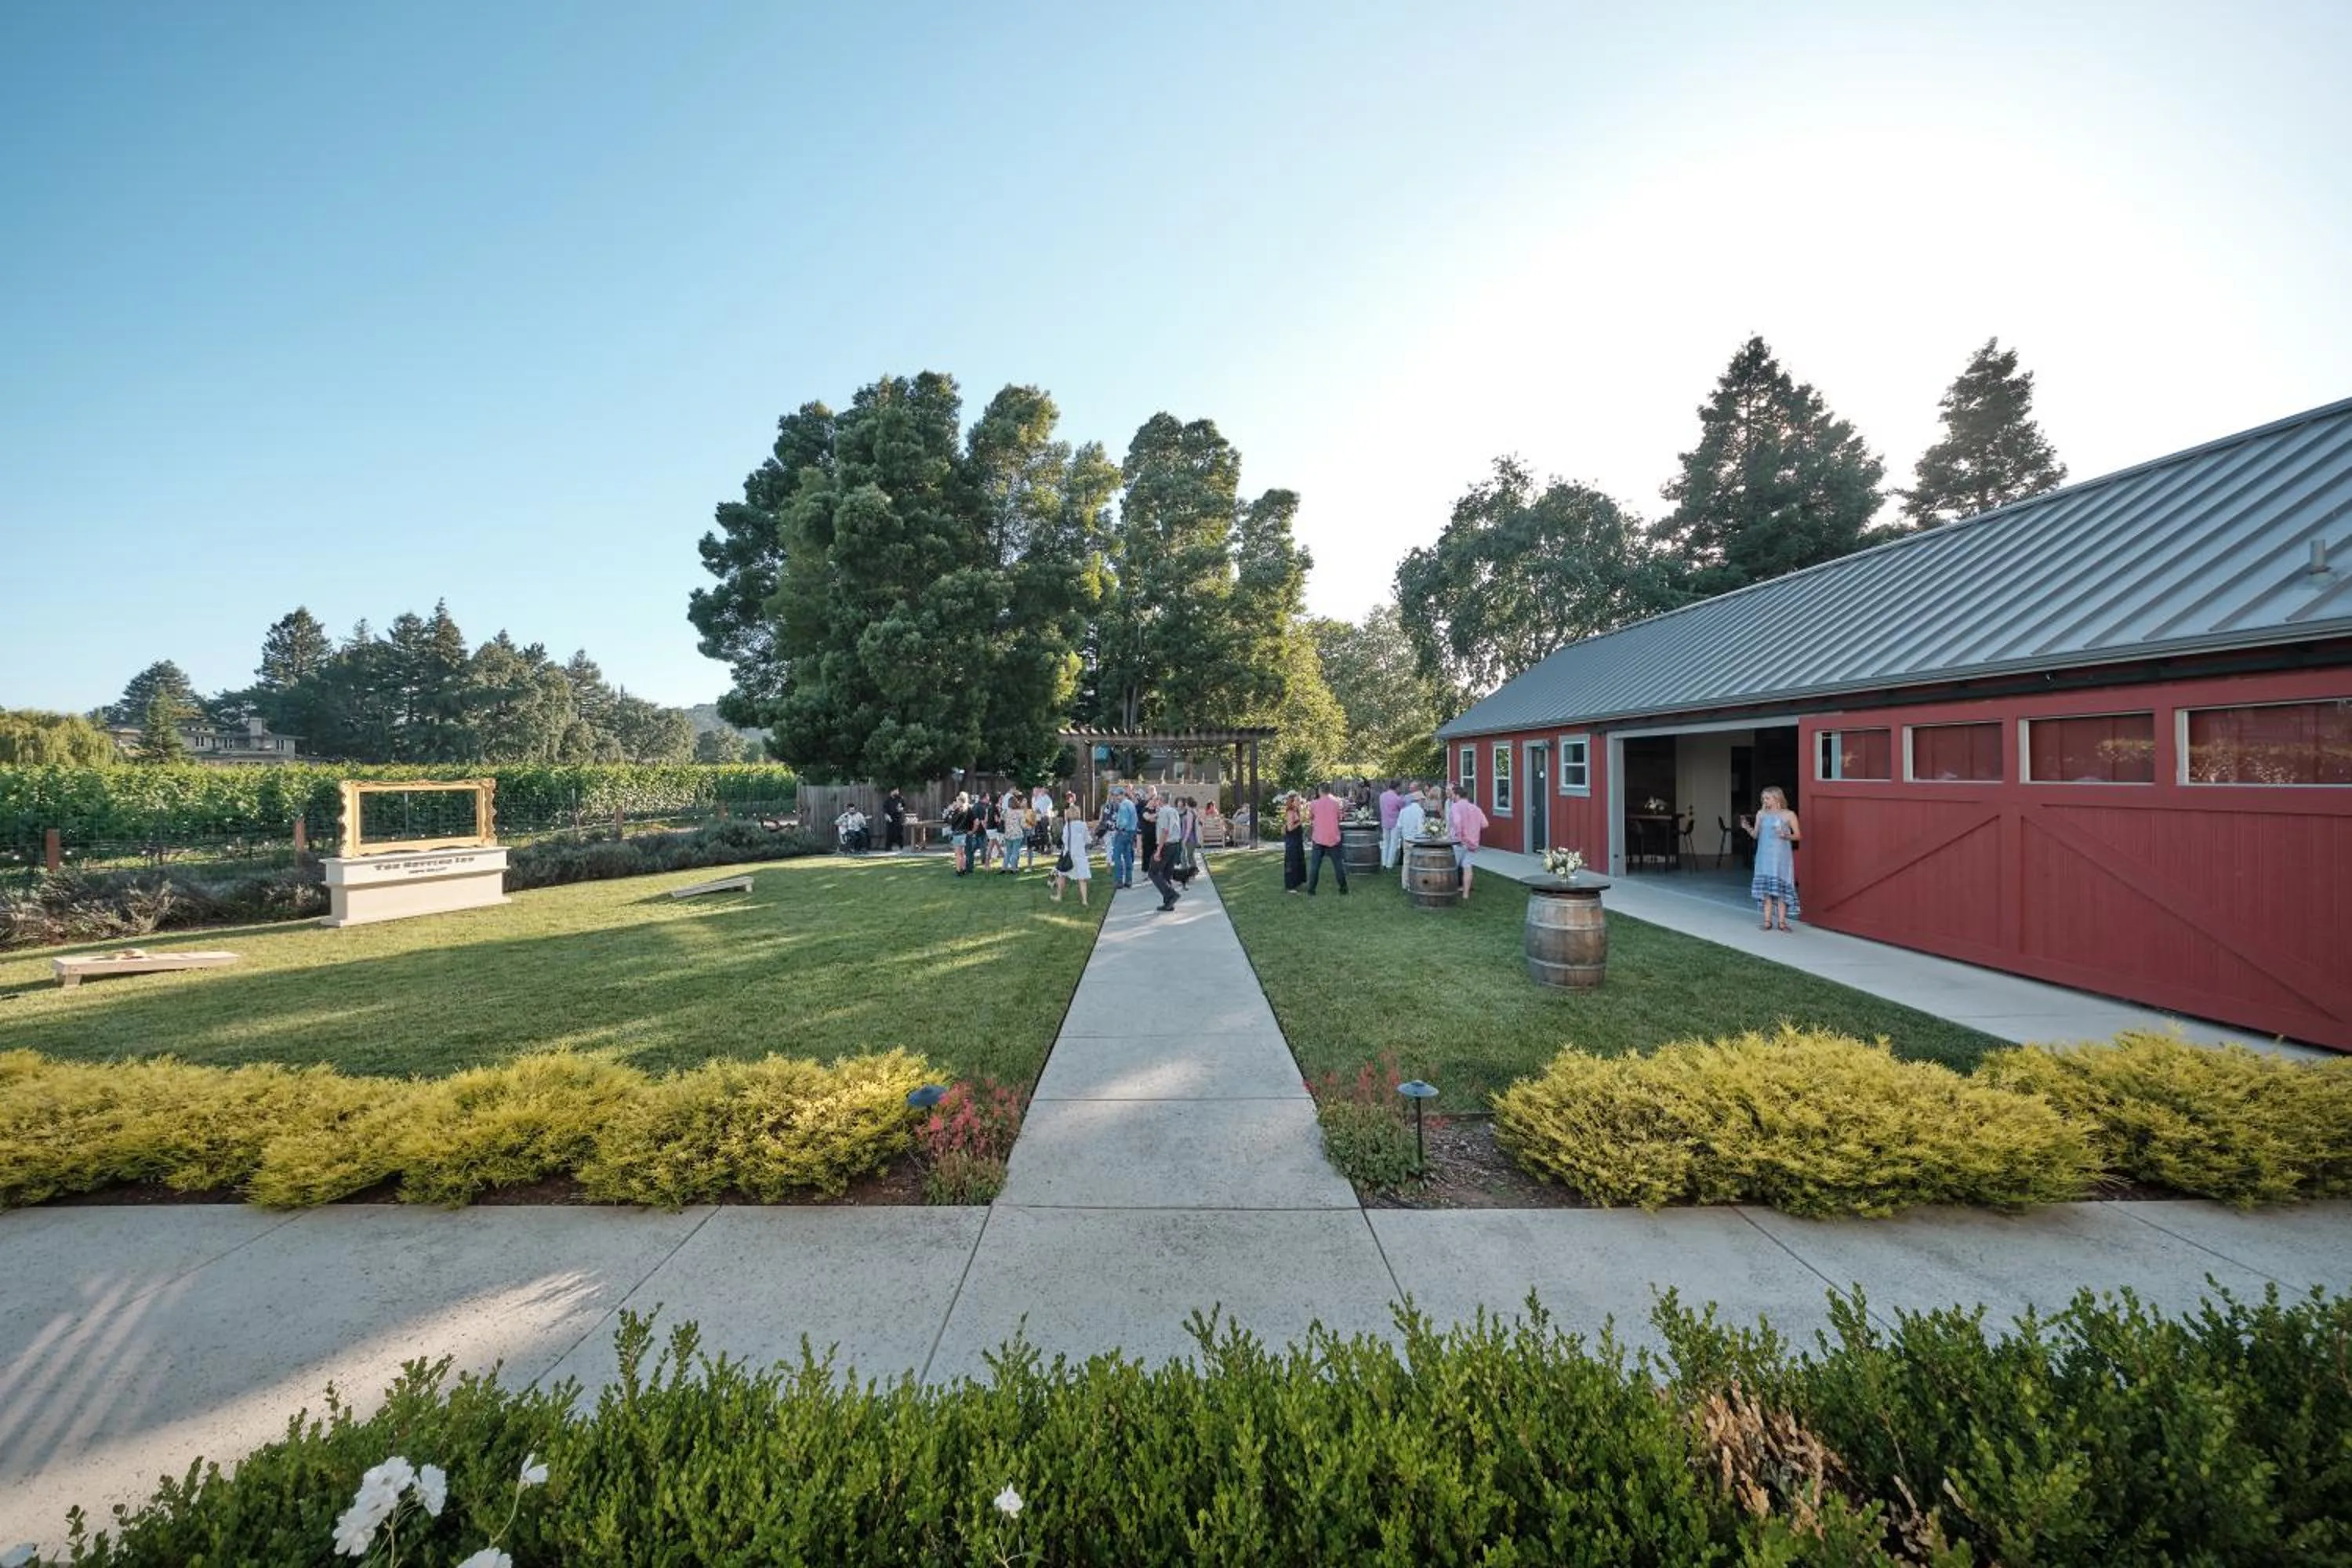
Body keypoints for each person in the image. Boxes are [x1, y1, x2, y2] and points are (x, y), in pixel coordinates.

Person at [1740, 786, 1802, 932]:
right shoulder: (1761, 814)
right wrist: (1747, 828)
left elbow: (1799, 836)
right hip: (1764, 857)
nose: (1764, 801)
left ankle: (1782, 922)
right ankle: (1767, 921)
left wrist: (1785, 835)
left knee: (1781, 890)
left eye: (1767, 798)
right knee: (1766, 890)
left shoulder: (1789, 815)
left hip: (1782, 858)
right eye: (1763, 798)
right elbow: (1756, 835)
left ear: (1777, 798)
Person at [1446, 784, 1488, 900]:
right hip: (1472, 843)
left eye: (1454, 795)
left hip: (1459, 842)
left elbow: (1457, 822)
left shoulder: (1456, 807)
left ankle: (1448, 891)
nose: (1453, 797)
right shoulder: (1476, 808)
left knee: (1451, 867)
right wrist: (1473, 828)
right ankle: (1465, 894)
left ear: (1458, 795)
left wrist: (1460, 837)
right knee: (1467, 867)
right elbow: (1485, 824)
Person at [1306, 782, 1348, 895]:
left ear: (1320, 790)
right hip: (1333, 836)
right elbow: (1341, 817)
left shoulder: (1314, 804)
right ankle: (1343, 888)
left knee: (1315, 865)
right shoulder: (1336, 803)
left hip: (1319, 837)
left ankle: (1311, 890)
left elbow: (1310, 817)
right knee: (1338, 864)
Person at [1147, 790, 1185, 911]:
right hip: (1175, 845)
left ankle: (1171, 895)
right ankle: (1169, 904)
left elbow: (1165, 831)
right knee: (1166, 874)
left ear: (1162, 800)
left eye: (1158, 799)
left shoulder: (1163, 812)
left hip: (1166, 845)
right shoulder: (1173, 811)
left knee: (1152, 872)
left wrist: (1158, 851)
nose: (1156, 801)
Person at [1051, 802, 1094, 905]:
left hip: (1069, 855)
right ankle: (1084, 900)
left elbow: (1064, 839)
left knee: (1061, 875)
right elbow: (1088, 840)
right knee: (1082, 879)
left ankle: (1059, 896)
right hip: (1080, 855)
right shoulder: (1083, 825)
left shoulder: (1068, 826)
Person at [1395, 786, 1428, 888]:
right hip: (1417, 841)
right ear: (1419, 800)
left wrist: (1400, 838)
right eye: (1423, 800)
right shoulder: (1420, 811)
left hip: (1406, 839)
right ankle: (1416, 883)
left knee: (1406, 862)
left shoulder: (1404, 810)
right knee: (1418, 863)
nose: (1423, 802)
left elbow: (1399, 826)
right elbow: (1421, 829)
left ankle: (1405, 884)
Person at [1111, 787, 1139, 889]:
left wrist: (1118, 829)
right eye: (1115, 795)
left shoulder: (1123, 805)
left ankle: (1119, 881)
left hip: (1123, 832)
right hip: (1131, 833)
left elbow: (1123, 821)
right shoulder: (1131, 804)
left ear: (1122, 795)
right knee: (1128, 856)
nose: (1116, 798)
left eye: (1117, 795)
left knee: (1117, 857)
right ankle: (1129, 880)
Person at [1280, 792, 1307, 892]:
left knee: (1298, 860)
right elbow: (1290, 828)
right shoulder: (1290, 812)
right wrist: (1300, 822)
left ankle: (1298, 882)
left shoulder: (1297, 811)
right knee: (1292, 861)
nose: (1299, 802)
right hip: (1292, 840)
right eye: (1297, 800)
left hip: (1298, 839)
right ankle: (1290, 885)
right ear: (1292, 802)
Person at [1000, 786, 1027, 874]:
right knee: (1015, 852)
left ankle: (1003, 868)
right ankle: (1014, 868)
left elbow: (1002, 818)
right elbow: (1023, 824)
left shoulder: (1005, 812)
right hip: (1017, 834)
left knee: (1008, 852)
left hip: (1008, 834)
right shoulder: (1020, 812)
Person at [1377, 779, 1403, 869]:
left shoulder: (1382, 796)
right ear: (1397, 787)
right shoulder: (1397, 798)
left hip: (1385, 821)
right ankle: (1389, 864)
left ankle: (1383, 862)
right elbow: (1402, 809)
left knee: (1386, 842)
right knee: (1393, 843)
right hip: (1395, 823)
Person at [1138, 786, 1160, 876]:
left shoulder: (1156, 810)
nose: (1156, 803)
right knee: (1147, 855)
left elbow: (1155, 820)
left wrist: (1157, 814)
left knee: (1156, 855)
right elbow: (1148, 817)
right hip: (1147, 837)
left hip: (1156, 837)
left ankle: (1155, 871)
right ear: (1150, 801)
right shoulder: (1145, 810)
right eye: (1154, 801)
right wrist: (1157, 814)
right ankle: (1145, 872)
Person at [881, 787, 907, 851]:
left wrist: (902, 809)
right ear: (892, 792)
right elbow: (885, 810)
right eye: (896, 791)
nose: (897, 792)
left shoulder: (900, 799)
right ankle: (888, 848)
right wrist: (887, 816)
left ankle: (901, 847)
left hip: (898, 818)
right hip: (890, 819)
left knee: (899, 833)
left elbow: (904, 806)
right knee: (889, 834)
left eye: (898, 791)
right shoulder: (887, 800)